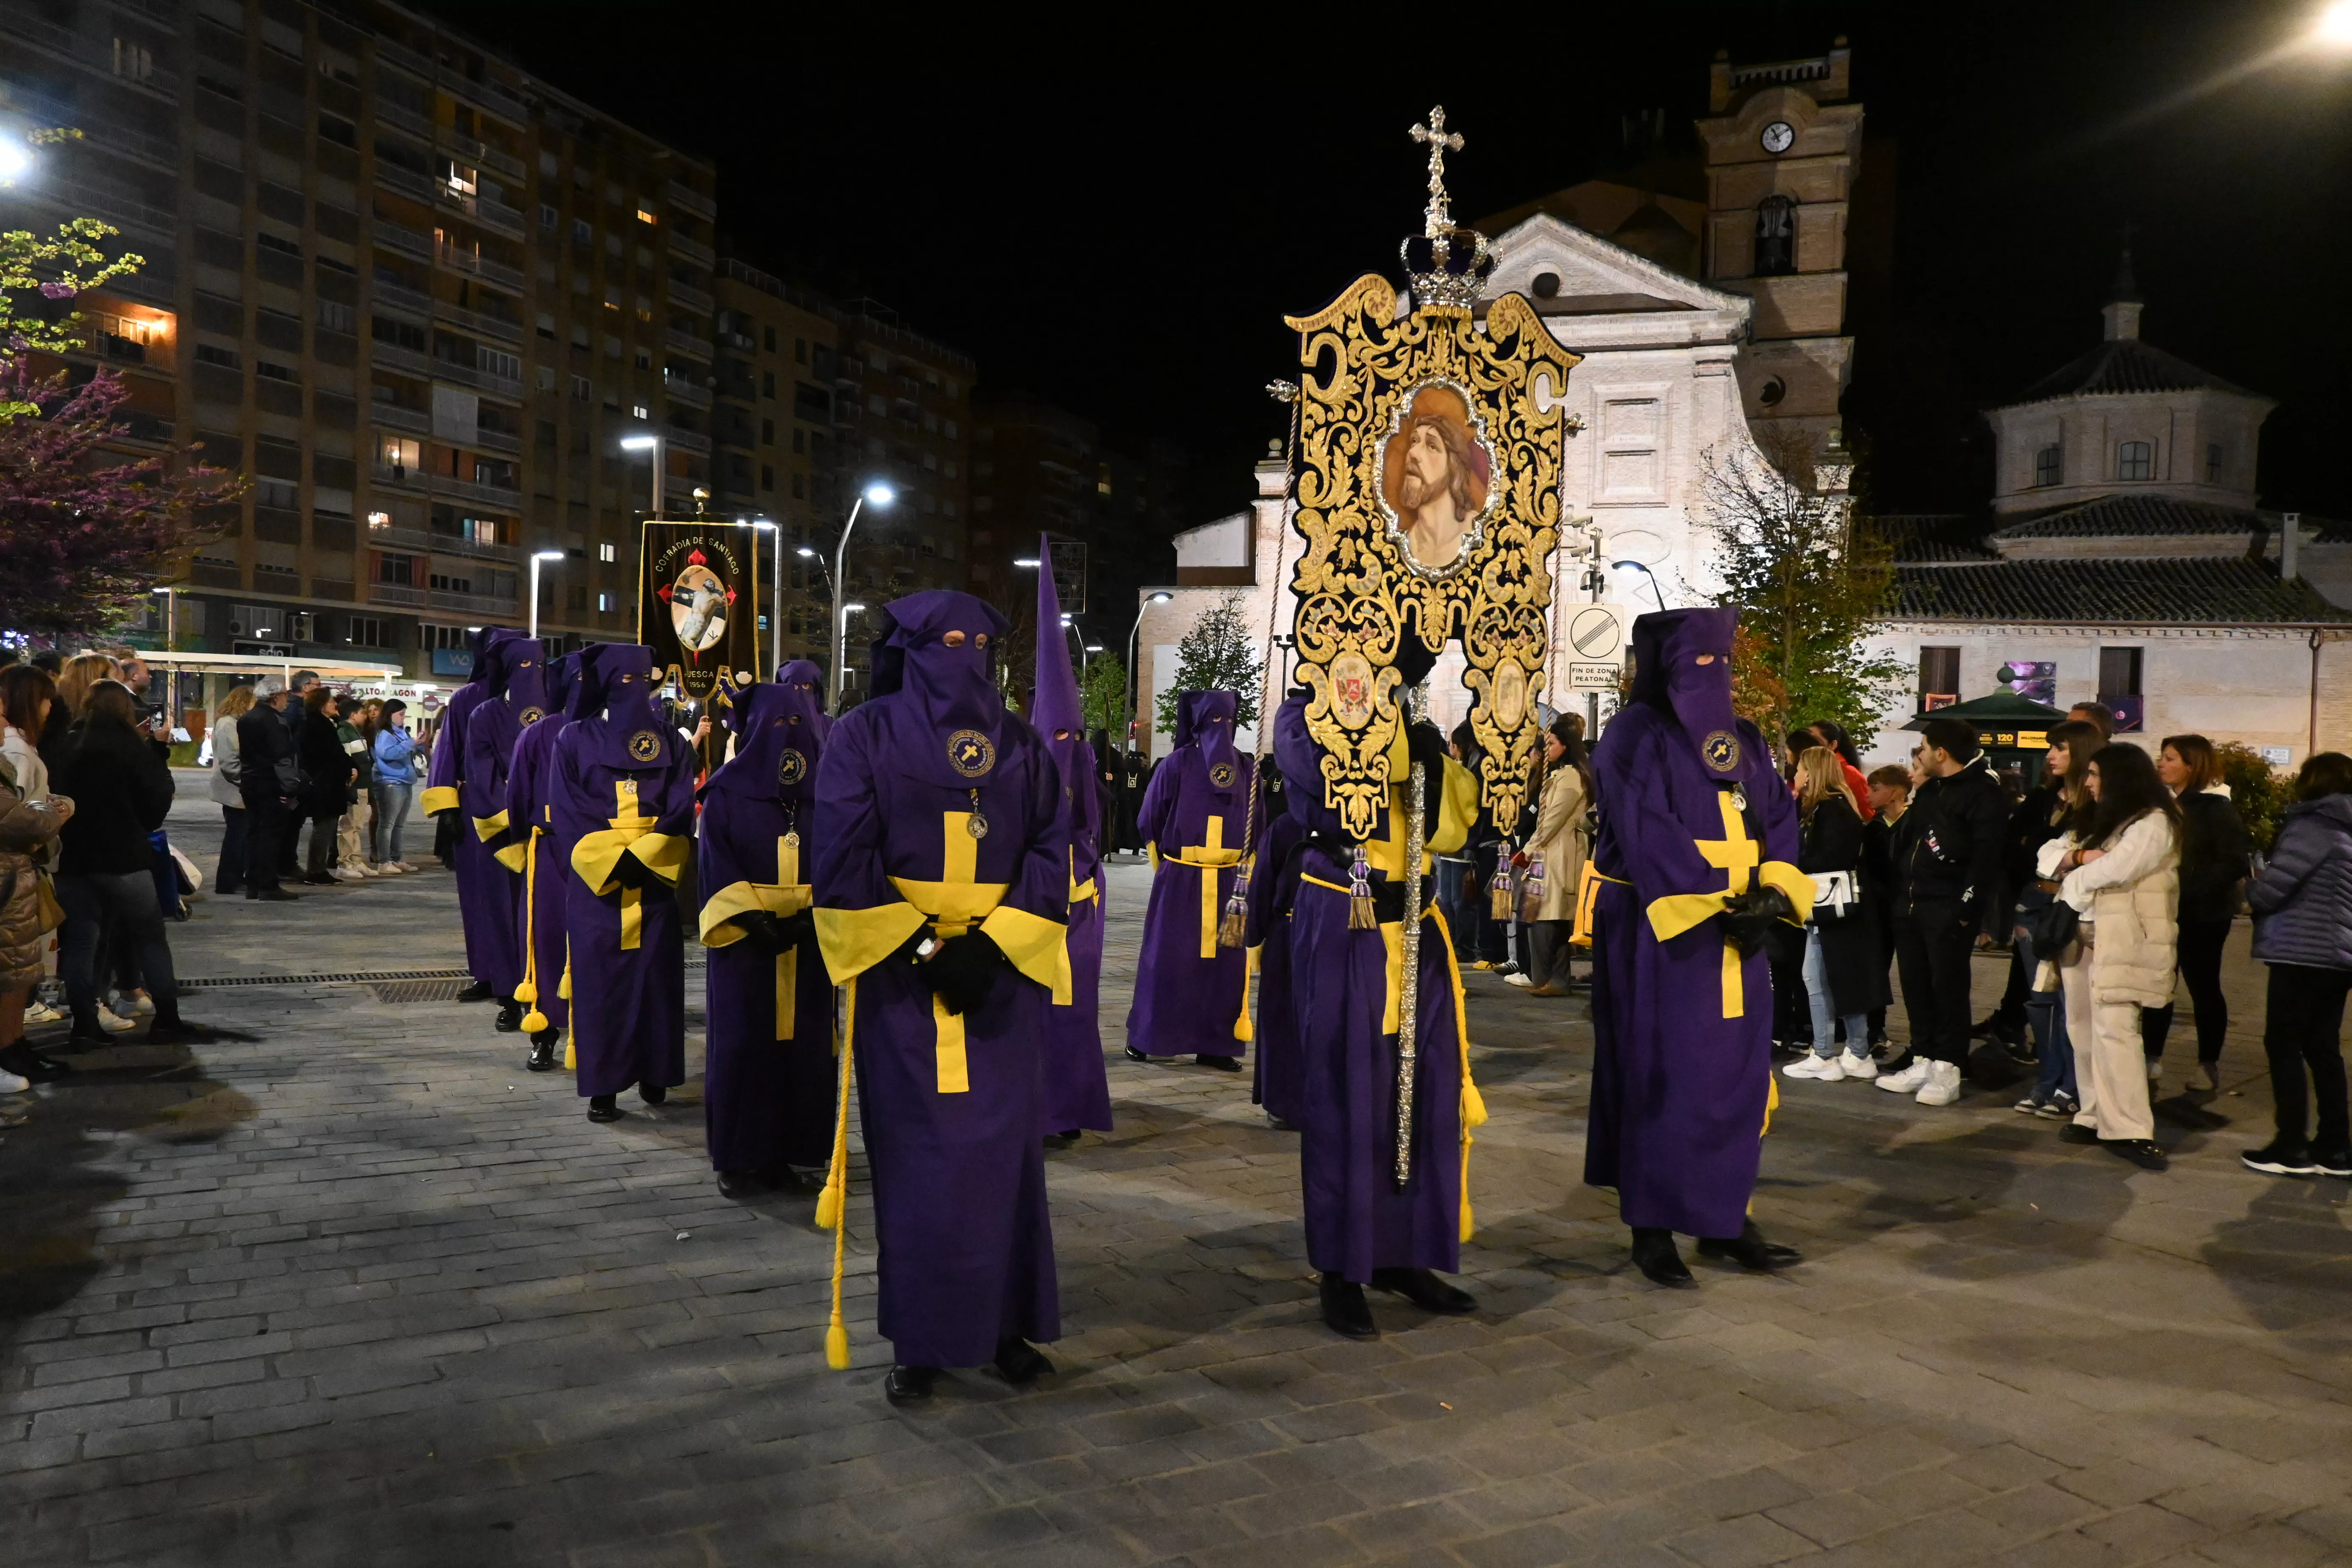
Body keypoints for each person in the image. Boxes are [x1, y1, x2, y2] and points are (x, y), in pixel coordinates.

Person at [810, 591, 1070, 1403]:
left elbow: (1052, 847)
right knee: (918, 1162)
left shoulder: (1022, 744)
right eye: (945, 641)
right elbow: (843, 856)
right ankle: (921, 1339)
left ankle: (1005, 1326)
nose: (965, 656)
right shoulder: (862, 736)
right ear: (910, 649)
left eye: (979, 643)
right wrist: (927, 949)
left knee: (1004, 1161)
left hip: (1000, 982)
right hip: (901, 983)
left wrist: (990, 946)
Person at [1584, 607, 1812, 1288]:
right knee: (1664, 1073)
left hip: (1741, 932)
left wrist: (1773, 894)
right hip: (1664, 930)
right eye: (1698, 663)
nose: (1715, 676)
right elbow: (1646, 828)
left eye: (1723, 663)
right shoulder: (1634, 734)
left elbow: (1778, 815)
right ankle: (1652, 1228)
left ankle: (1725, 1217)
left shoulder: (1743, 738)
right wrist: (1715, 900)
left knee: (1735, 1079)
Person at [1271, 640, 1484, 1336]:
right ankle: (1341, 1266)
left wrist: (1434, 757)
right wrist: (1401, 748)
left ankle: (1404, 1250)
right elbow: (1327, 775)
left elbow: (1452, 828)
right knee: (1346, 1092)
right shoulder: (1300, 714)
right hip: (1346, 919)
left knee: (1423, 1093)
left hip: (1416, 923)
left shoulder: (1410, 719)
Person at [699, 663, 837, 1194]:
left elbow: (840, 858)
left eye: (797, 722)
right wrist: (752, 919)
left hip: (810, 942)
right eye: (777, 723)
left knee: (805, 1050)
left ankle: (788, 1153)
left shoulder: (826, 795)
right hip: (745, 944)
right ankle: (738, 1158)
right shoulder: (726, 795)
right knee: (744, 1045)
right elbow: (716, 862)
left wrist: (814, 915)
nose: (788, 733)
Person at [553, 644, 693, 1122]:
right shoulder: (574, 738)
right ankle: (605, 1086)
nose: (638, 688)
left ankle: (657, 1070)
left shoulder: (671, 740)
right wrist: (612, 861)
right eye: (627, 679)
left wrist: (648, 856)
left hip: (654, 882)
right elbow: (568, 808)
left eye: (644, 679)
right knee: (601, 985)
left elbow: (680, 804)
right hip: (599, 888)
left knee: (657, 981)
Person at [2040, 743, 2179, 1170]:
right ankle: (2094, 1114)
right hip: (2081, 937)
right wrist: (2078, 858)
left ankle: (2131, 1128)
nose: (2088, 782)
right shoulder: (2102, 819)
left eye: (2096, 774)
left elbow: (2118, 868)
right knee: (2082, 1028)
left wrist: (2073, 878)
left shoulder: (2155, 821)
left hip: (2122, 941)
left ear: (2121, 778)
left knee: (2117, 1032)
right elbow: (2046, 855)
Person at [49, 681, 205, 1047]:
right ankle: (166, 1019)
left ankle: (84, 1024)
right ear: (125, 709)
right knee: (150, 937)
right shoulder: (132, 748)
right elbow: (155, 807)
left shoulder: (65, 745)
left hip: (73, 859)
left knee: (81, 941)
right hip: (123, 859)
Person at [1876, 717, 2010, 1107]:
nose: (1918, 756)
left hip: (1948, 907)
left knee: (1948, 988)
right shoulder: (1932, 791)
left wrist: (1966, 908)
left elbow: (1987, 858)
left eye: (1923, 748)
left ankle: (1949, 1066)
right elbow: (1910, 840)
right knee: (1915, 985)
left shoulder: (1983, 793)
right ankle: (1923, 1057)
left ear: (1941, 752)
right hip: (1912, 904)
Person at [1125, 689, 1259, 1070]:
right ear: (1199, 724)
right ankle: (1150, 1037)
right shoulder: (1176, 765)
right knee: (1168, 959)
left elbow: (1258, 824)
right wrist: (1168, 866)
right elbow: (1151, 817)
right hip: (1181, 878)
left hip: (1228, 882)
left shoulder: (1246, 769)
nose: (1223, 727)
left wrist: (1246, 870)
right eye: (1215, 720)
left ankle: (1215, 1044)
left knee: (1225, 966)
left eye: (1228, 720)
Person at [1032, 546, 1113, 1142]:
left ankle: (1071, 1108)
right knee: (1036, 1013)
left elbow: (1092, 831)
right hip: (1032, 918)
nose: (1070, 745)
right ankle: (1039, 1111)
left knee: (1075, 1009)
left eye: (1077, 735)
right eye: (1058, 735)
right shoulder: (1022, 778)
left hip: (1081, 910)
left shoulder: (1082, 768)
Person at [2241, 752, 2352, 1179]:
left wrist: (2251, 887)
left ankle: (2291, 1144)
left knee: (2283, 1042)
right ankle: (2335, 1146)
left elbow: (2275, 889)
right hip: (2339, 955)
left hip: (2303, 950)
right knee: (2323, 1047)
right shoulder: (2346, 827)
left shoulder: (2312, 827)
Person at [422, 629, 528, 1004]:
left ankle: (527, 973)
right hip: (477, 808)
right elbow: (449, 750)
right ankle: (486, 972)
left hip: (528, 807)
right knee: (480, 895)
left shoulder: (542, 698)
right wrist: (448, 806)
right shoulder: (467, 698)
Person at [2145, 733, 2251, 1093]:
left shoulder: (2215, 808)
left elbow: (2234, 861)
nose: (2161, 764)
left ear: (2192, 765)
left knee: (2203, 987)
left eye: (2170, 758)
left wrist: (2192, 889)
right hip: (2161, 910)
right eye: (2162, 757)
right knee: (2158, 982)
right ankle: (2151, 1057)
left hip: (2202, 915)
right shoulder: (2159, 806)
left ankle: (2208, 1063)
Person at [2009, 722, 2100, 1119]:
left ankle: (2072, 1086)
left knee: (2071, 1002)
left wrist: (2062, 858)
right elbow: (2017, 847)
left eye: (2060, 748)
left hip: (2072, 908)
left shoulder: (2098, 804)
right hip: (2033, 902)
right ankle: (2047, 1082)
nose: (2050, 756)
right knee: (2041, 998)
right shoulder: (2043, 797)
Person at [1782, 748, 1887, 1082]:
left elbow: (1830, 858)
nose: (1796, 775)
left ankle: (1843, 1053)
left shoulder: (1831, 811)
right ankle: (1840, 1052)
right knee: (1827, 980)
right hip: (1830, 909)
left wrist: (1796, 865)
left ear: (1812, 773)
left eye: (1800, 768)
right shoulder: (1826, 809)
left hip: (1833, 909)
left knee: (1830, 979)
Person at [461, 637, 548, 1032]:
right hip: (503, 832)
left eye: (540, 665)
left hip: (549, 831)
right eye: (525, 666)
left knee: (545, 916)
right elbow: (481, 772)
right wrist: (512, 815)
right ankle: (510, 995)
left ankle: (548, 993)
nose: (534, 674)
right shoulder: (486, 713)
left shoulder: (558, 711)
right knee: (503, 913)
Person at [0, 665, 71, 1088]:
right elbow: (21, 816)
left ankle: (15, 1045)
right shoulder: (16, 752)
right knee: (14, 974)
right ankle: (10, 1049)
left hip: (19, 876)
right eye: (45, 700)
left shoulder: (18, 749)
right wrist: (60, 811)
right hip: (14, 876)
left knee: (20, 971)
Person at [1245, 765, 1306, 1128]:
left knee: (1283, 1018)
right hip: (1333, 934)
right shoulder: (1352, 827)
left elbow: (1262, 884)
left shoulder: (1285, 827)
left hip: (1289, 931)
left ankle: (1284, 1101)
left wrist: (1254, 937)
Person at [1518, 716, 1590, 996]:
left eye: (1552, 744)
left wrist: (1528, 851)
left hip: (1562, 855)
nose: (1546, 749)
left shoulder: (1571, 778)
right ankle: (1551, 979)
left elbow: (1552, 821)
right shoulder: (1561, 775)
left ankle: (1552, 979)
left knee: (1549, 918)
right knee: (1549, 917)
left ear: (1566, 746)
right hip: (1552, 854)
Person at [235, 679, 300, 902]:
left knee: (254, 833)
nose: (287, 699)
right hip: (270, 783)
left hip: (250, 782)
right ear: (275, 697)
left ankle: (253, 884)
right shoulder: (274, 721)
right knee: (271, 836)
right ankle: (268, 885)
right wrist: (291, 786)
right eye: (284, 695)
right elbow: (282, 757)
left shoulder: (247, 718)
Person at [294, 686, 352, 887]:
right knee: (324, 827)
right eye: (330, 701)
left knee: (327, 827)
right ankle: (316, 871)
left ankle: (318, 869)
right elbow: (328, 756)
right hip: (324, 784)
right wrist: (346, 769)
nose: (335, 704)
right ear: (320, 704)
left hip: (328, 782)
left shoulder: (323, 724)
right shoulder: (316, 726)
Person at [207, 685, 256, 898]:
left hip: (237, 788)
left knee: (240, 836)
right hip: (235, 790)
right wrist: (247, 781)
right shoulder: (228, 725)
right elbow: (230, 761)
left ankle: (236, 877)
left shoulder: (233, 723)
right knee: (236, 836)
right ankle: (227, 881)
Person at [370, 700, 418, 872]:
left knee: (399, 824)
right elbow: (387, 753)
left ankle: (396, 859)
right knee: (387, 824)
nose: (403, 718)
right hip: (390, 782)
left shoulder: (401, 732)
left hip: (404, 780)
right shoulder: (385, 734)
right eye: (401, 714)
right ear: (391, 714)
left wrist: (414, 743)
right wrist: (410, 744)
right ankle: (384, 862)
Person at [335, 697, 378, 880]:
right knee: (347, 826)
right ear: (353, 715)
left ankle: (356, 860)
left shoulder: (356, 732)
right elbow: (345, 760)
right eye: (362, 713)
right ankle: (345, 863)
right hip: (354, 785)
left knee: (357, 825)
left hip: (363, 784)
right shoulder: (344, 733)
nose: (365, 716)